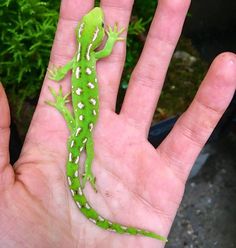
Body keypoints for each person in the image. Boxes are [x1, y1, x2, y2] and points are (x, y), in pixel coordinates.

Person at [0, 0, 235, 247]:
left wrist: (60, 99)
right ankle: (86, 176)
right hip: (82, 124)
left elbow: (61, 73)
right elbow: (105, 50)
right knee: (83, 140)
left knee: (81, 139)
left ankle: (85, 175)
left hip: (81, 123)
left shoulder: (78, 60)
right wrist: (111, 38)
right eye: (101, 26)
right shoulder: (93, 56)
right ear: (91, 36)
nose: (101, 23)